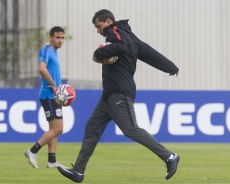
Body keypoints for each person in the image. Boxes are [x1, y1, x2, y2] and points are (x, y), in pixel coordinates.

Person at [57, 9, 180, 182]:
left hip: (120, 92)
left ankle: (169, 157)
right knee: (92, 128)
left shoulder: (115, 31)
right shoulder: (131, 37)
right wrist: (170, 67)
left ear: (108, 21)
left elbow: (121, 46)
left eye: (99, 26)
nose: (98, 31)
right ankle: (78, 171)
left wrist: (98, 54)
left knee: (131, 129)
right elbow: (149, 53)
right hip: (109, 95)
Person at [25, 26, 65, 169]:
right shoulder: (46, 50)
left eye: (62, 38)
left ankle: (52, 160)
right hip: (49, 95)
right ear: (50, 38)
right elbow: (41, 68)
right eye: (57, 37)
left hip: (54, 96)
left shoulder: (54, 52)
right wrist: (54, 85)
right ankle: (32, 151)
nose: (60, 40)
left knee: (53, 129)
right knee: (58, 129)